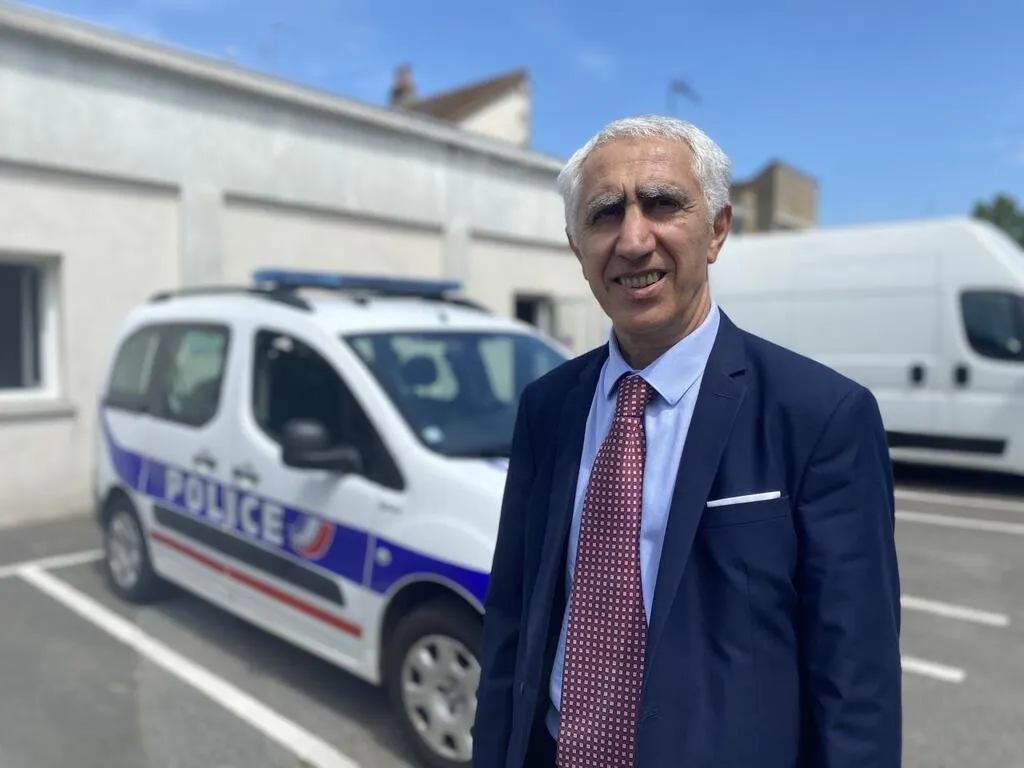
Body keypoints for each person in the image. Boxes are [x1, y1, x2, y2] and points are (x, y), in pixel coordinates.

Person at [471, 115, 902, 768]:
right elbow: (511, 619)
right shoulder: (548, 407)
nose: (633, 240)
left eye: (662, 204)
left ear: (717, 230)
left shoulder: (820, 417)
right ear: (577, 248)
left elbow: (855, 682)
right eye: (605, 214)